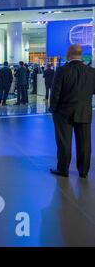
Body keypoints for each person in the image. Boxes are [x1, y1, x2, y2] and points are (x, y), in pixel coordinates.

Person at [49, 45, 95, 178]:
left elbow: (55, 93)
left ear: (68, 54)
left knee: (64, 142)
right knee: (85, 142)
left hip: (63, 112)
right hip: (84, 111)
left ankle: (63, 169)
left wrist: (53, 109)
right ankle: (83, 171)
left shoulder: (62, 70)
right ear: (80, 55)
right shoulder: (91, 72)